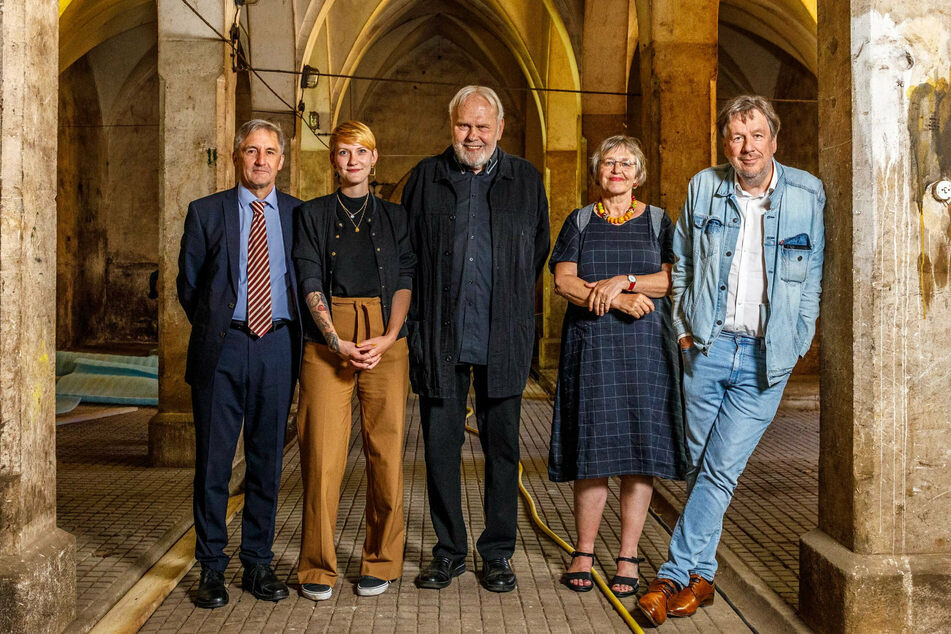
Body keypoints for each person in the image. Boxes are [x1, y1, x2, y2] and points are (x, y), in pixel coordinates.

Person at [637, 95, 825, 626]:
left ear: (774, 140)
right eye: (737, 137)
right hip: (709, 347)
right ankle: (703, 576)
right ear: (726, 143)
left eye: (756, 136)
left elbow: (811, 277)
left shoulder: (807, 195)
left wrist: (799, 338)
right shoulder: (704, 186)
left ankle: (672, 576)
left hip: (767, 358)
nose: (747, 147)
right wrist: (681, 331)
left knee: (721, 468)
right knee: (698, 461)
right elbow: (681, 265)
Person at [402, 85, 550, 593]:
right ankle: (449, 551)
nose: (473, 135)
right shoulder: (425, 177)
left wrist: (505, 300)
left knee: (503, 450)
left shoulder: (526, 179)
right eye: (465, 125)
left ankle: (497, 553)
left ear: (499, 129)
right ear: (451, 125)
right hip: (440, 336)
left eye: (482, 127)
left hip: (502, 336)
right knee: (440, 450)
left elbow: (537, 252)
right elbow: (410, 255)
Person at [548, 135, 686, 597]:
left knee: (637, 453)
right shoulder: (580, 221)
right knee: (593, 451)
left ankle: (628, 554)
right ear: (597, 171)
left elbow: (672, 279)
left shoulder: (660, 221)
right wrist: (617, 300)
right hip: (592, 347)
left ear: (639, 173)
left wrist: (626, 280)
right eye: (609, 163)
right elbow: (563, 280)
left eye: (627, 163)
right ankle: (583, 551)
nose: (617, 170)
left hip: (645, 351)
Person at [177, 119, 302, 609]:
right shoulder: (206, 212)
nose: (260, 160)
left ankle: (257, 562)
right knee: (213, 462)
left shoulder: (298, 214)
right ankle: (210, 567)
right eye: (251, 150)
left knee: (267, 460)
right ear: (236, 155)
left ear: (282, 160)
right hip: (223, 347)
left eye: (270, 152)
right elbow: (189, 286)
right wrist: (220, 325)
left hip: (278, 346)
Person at [292, 121, 414, 600]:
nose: (353, 160)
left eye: (361, 152)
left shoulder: (395, 217)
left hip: (386, 336)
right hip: (328, 344)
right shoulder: (313, 214)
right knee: (321, 454)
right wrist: (334, 339)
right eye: (343, 153)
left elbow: (405, 276)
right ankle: (316, 568)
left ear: (374, 157)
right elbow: (307, 278)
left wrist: (388, 336)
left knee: (385, 453)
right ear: (333, 161)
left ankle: (382, 561)